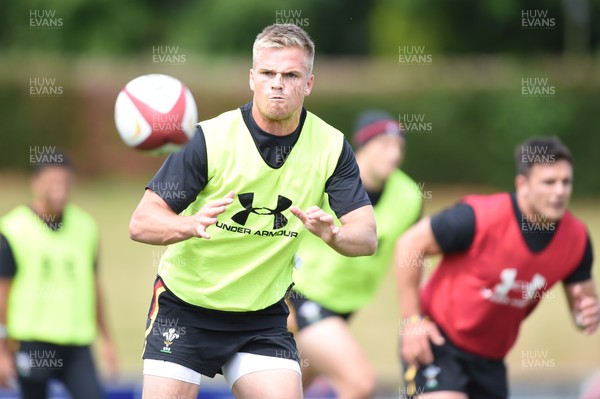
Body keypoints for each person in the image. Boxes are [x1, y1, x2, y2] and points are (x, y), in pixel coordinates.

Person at [129, 23, 377, 399]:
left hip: (261, 317)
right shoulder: (209, 139)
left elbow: (367, 236)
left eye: (291, 74)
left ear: (308, 83)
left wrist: (335, 234)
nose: (278, 83)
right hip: (186, 307)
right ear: (252, 78)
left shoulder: (330, 147)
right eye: (268, 73)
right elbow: (141, 222)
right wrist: (188, 224)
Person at [396, 136, 599, 399]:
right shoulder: (478, 217)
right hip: (438, 341)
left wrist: (587, 315)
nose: (559, 191)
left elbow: (583, 312)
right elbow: (409, 244)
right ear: (522, 184)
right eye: (549, 182)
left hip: (491, 361)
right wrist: (412, 321)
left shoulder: (577, 240)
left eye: (566, 182)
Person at [288, 110, 422, 398]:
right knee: (359, 383)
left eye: (399, 147)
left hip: (348, 304)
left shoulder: (409, 195)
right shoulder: (327, 178)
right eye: (384, 145)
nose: (394, 154)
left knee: (293, 386)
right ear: (362, 146)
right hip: (304, 296)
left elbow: (415, 250)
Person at [0, 155, 118, 399]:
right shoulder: (12, 229)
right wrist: (1, 350)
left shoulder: (86, 226)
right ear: (35, 183)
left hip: (77, 343)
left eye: (65, 183)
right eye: (52, 182)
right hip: (31, 341)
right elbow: (2, 293)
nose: (59, 190)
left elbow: (94, 287)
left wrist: (106, 340)